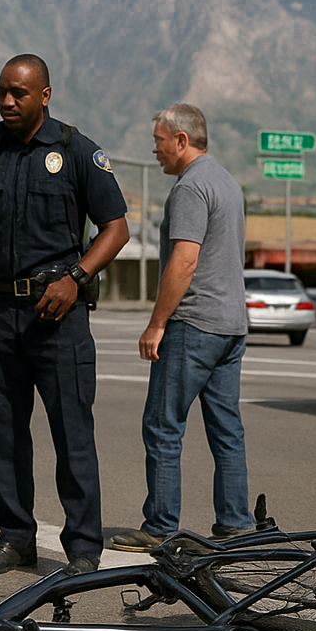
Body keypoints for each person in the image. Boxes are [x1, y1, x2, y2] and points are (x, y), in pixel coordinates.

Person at [0, 54, 130, 576]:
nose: (6, 101)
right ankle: (15, 537)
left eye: (18, 93)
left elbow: (115, 228)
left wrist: (77, 278)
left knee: (73, 432)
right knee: (5, 432)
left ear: (44, 95)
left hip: (58, 315)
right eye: (1, 91)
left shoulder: (74, 150)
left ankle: (84, 547)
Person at [112, 103, 254, 551]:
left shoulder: (190, 188)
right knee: (226, 428)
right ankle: (235, 524)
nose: (154, 150)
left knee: (162, 425)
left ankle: (159, 526)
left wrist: (157, 324)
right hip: (231, 324)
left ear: (181, 140)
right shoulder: (228, 182)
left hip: (194, 324)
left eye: (158, 141)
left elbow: (185, 259)